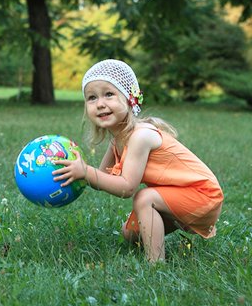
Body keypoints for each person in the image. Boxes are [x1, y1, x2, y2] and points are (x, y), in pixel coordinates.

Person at [52, 59, 224, 262]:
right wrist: (77, 173)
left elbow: (126, 188)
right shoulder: (118, 139)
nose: (100, 104)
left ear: (129, 99)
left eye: (109, 94)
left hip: (203, 195)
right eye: (91, 98)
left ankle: (156, 265)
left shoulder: (140, 136)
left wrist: (86, 172)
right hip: (182, 193)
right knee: (130, 234)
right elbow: (102, 178)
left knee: (144, 198)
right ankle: (163, 228)